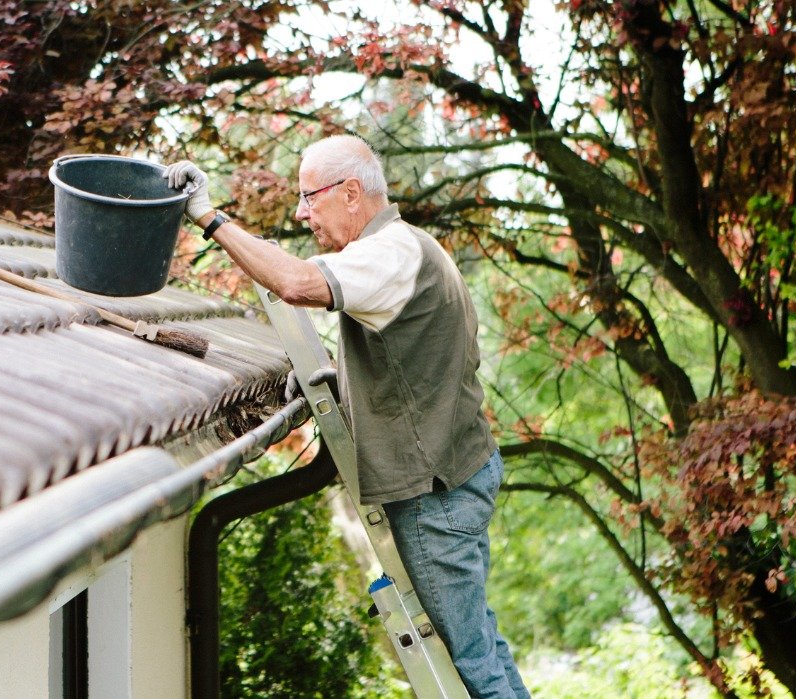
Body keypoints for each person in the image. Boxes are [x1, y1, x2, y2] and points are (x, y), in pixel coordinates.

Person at [166, 135, 530, 699]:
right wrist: (339, 377)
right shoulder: (408, 249)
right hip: (457, 477)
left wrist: (208, 217)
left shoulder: (391, 253)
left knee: (466, 669)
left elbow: (293, 283)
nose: (301, 212)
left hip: (434, 494)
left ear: (352, 193)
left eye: (310, 197)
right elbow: (412, 357)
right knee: (479, 646)